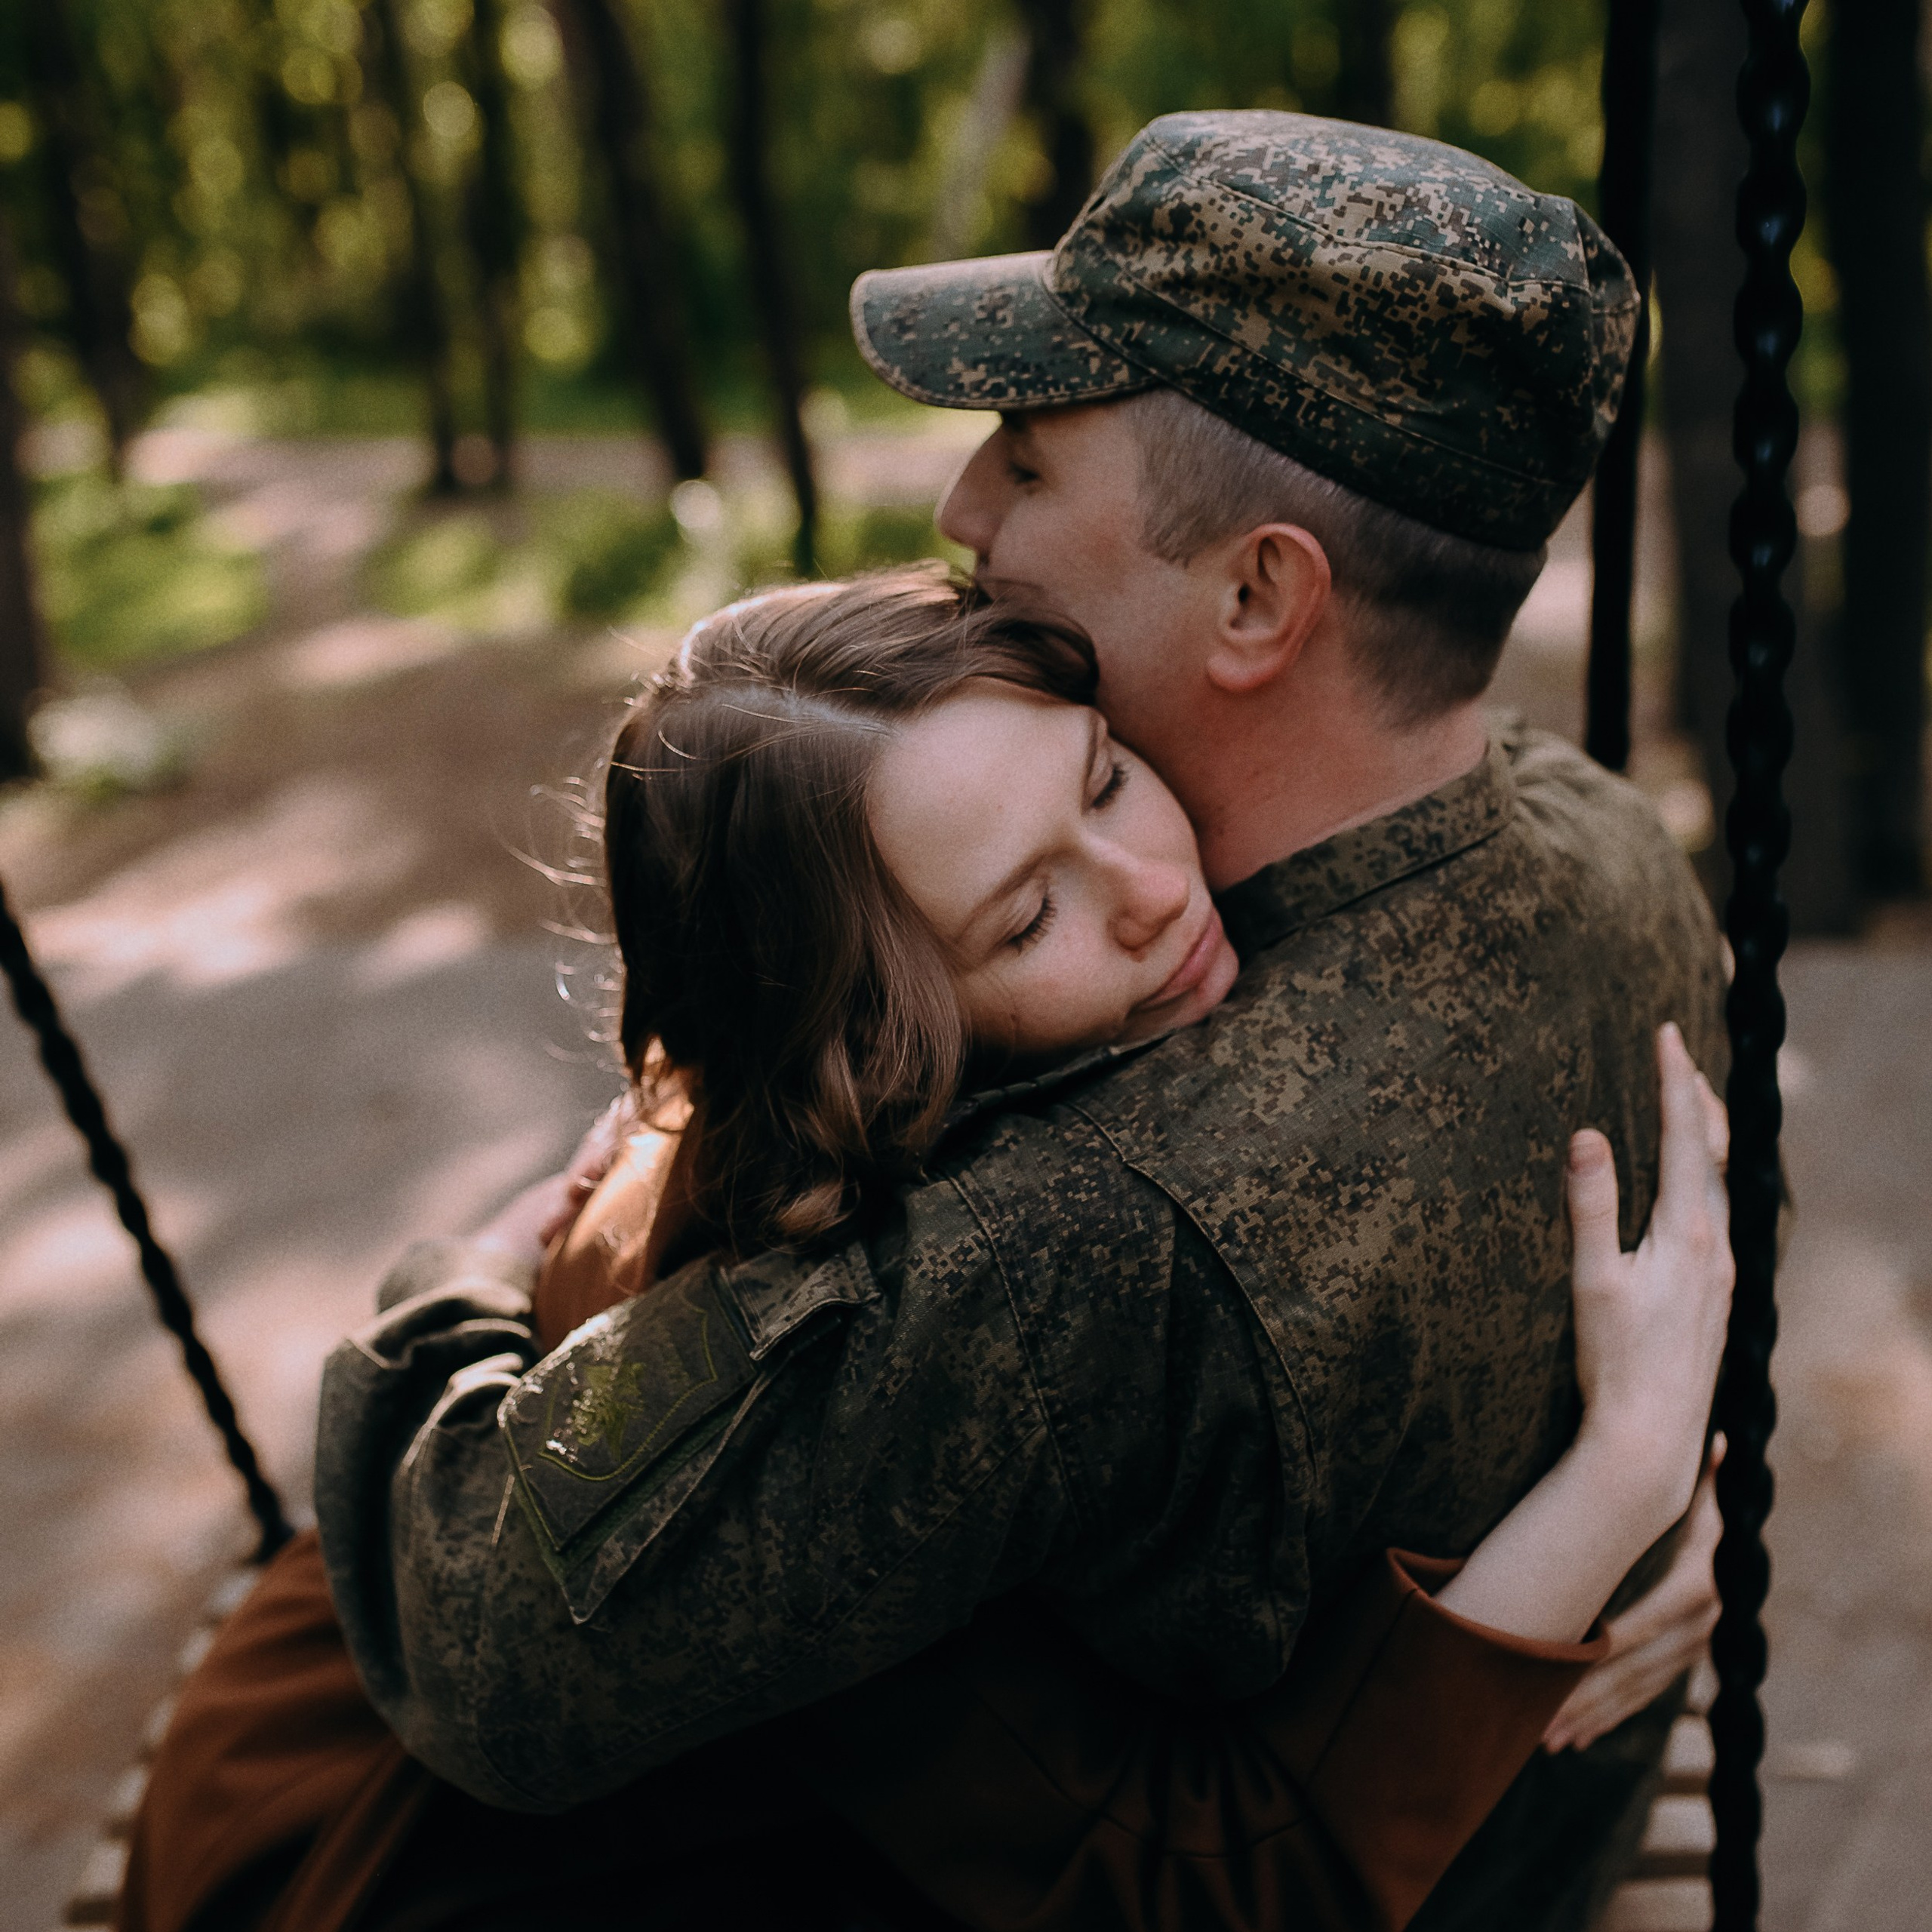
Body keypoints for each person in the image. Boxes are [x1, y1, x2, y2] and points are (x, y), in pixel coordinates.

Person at [308, 110, 1729, 1932]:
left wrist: (450, 1287)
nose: (961, 510)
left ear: (1254, 594)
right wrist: (1640, 1500)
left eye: (1028, 455)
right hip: (1541, 1861)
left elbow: (487, 1640)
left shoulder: (1062, 1241)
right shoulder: (1602, 835)